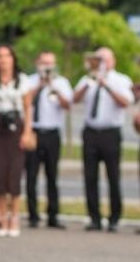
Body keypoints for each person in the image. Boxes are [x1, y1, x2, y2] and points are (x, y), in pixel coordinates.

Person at [73, 47, 134, 231]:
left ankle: (114, 218)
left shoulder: (121, 80)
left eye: (104, 59)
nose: (101, 63)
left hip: (110, 133)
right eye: (98, 59)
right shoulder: (87, 79)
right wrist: (89, 83)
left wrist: (106, 85)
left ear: (112, 61)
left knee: (113, 176)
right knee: (90, 177)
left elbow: (126, 102)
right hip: (91, 132)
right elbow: (74, 99)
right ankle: (94, 218)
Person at [0, 44, 33, 237]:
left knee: (14, 173)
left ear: (13, 59)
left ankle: (14, 216)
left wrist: (27, 132)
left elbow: (28, 108)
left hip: (15, 128)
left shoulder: (23, 81)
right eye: (0, 57)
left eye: (7, 56)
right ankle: (1, 216)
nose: (3, 60)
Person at [25, 51, 73, 228]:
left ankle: (53, 215)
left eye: (50, 64)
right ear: (37, 63)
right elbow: (25, 101)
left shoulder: (61, 82)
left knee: (52, 176)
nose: (47, 67)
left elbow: (68, 105)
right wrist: (40, 85)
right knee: (31, 175)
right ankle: (33, 215)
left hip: (52, 133)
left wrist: (54, 88)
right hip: (34, 132)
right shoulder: (29, 80)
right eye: (44, 63)